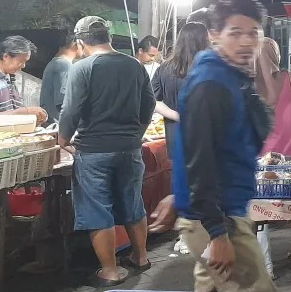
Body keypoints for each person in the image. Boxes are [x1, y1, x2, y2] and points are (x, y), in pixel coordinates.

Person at [171, 0, 277, 292]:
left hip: (216, 209)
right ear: (214, 34)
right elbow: (200, 158)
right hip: (220, 217)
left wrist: (179, 194)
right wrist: (217, 234)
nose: (246, 42)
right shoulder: (211, 84)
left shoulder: (231, 77)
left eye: (254, 33)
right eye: (235, 33)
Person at [58, 16, 156, 286]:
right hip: (130, 148)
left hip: (94, 151)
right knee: (133, 203)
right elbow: (149, 104)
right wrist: (137, 133)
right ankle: (140, 258)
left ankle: (110, 272)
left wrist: (63, 138)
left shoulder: (82, 68)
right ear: (109, 38)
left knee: (97, 209)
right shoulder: (134, 65)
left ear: (80, 42)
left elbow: (71, 110)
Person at [151, 23, 211, 156]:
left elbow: (153, 101)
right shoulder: (211, 69)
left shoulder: (164, 69)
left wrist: (177, 116)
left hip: (175, 140)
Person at [0, 36, 47, 125]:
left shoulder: (8, 78)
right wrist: (24, 112)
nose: (23, 66)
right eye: (21, 61)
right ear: (6, 56)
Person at [40, 33, 83, 124]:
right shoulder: (63, 65)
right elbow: (64, 101)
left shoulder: (56, 63)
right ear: (76, 44)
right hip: (58, 125)